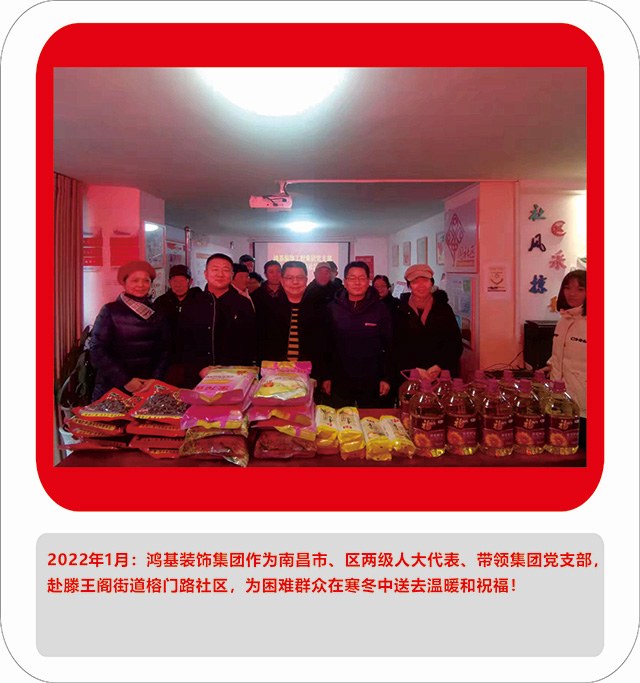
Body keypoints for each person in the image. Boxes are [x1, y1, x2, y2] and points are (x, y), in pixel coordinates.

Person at [89, 260, 170, 400]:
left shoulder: (158, 312)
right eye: (135, 280)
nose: (141, 285)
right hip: (113, 389)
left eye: (146, 281)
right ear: (124, 282)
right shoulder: (110, 311)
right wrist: (125, 380)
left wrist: (155, 379)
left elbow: (165, 349)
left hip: (147, 387)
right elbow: (97, 350)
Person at [322, 261, 393, 409]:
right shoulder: (332, 309)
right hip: (340, 379)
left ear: (368, 281)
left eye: (361, 278)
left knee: (370, 420)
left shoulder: (381, 309)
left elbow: (390, 345)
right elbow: (325, 346)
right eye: (352, 278)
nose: (357, 282)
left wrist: (386, 377)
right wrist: (326, 376)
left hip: (372, 380)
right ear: (345, 282)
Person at [179, 253, 256, 388]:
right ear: (206, 274)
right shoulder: (192, 303)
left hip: (235, 378)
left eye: (225, 270)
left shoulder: (243, 304)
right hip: (198, 378)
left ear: (232, 275)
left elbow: (250, 343)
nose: (220, 274)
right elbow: (183, 342)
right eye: (215, 270)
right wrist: (199, 369)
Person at [254, 261, 326, 376]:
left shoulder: (319, 308)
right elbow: (260, 345)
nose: (295, 282)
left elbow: (325, 346)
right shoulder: (267, 309)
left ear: (306, 280)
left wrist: (324, 376)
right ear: (282, 281)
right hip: (275, 374)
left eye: (300, 277)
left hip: (310, 374)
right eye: (289, 278)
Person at [395, 264, 463, 379]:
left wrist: (440, 366)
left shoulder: (443, 309)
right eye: (415, 282)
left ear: (431, 283)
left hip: (440, 375)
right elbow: (395, 346)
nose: (421, 285)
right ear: (409, 285)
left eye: (425, 281)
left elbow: (455, 343)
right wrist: (413, 369)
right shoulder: (399, 310)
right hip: (409, 375)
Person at [548, 269, 586, 449]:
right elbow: (560, 352)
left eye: (580, 289)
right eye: (567, 288)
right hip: (560, 396)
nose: (572, 293)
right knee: (561, 447)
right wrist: (550, 364)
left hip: (585, 400)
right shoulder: (563, 320)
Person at [154, 264, 202, 387]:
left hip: (195, 360)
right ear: (169, 282)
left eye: (182, 281)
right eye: (174, 281)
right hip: (169, 362)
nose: (178, 285)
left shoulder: (200, 301)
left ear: (190, 281)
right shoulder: (161, 302)